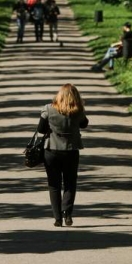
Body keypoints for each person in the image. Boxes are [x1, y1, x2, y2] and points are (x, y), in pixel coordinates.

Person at [38, 83, 89, 227]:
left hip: (51, 150)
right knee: (70, 183)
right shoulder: (78, 111)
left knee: (53, 184)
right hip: (71, 151)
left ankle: (57, 218)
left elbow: (41, 130)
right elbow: (85, 124)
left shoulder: (48, 109)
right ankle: (68, 214)